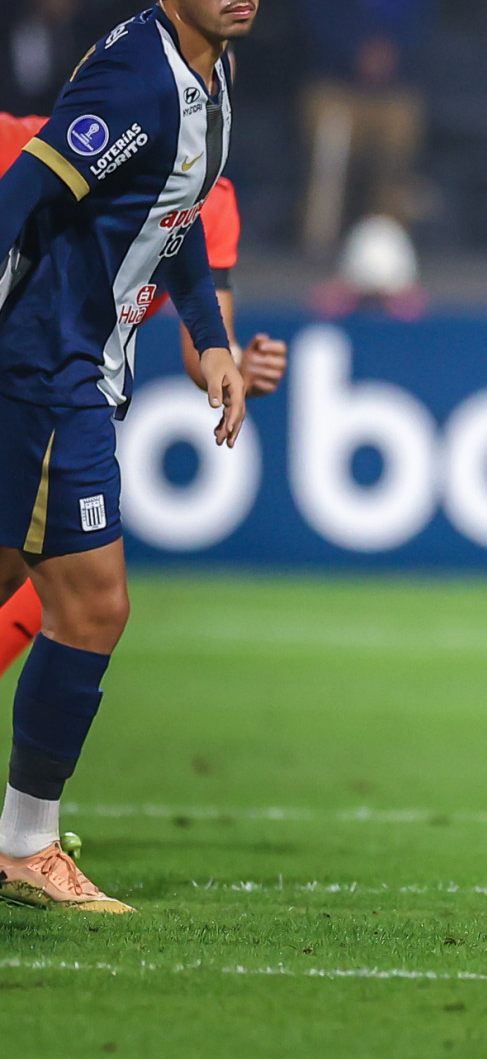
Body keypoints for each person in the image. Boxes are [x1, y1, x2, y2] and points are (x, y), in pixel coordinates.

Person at [0, 0, 256, 912]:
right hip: (48, 369)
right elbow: (24, 193)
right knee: (94, 604)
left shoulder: (208, 72)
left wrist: (212, 343)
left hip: (71, 367)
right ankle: (25, 844)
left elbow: (174, 217)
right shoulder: (137, 81)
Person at [0, 112, 287, 674]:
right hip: (31, 384)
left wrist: (236, 365)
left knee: (48, 584)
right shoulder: (37, 141)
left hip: (59, 398)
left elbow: (205, 349)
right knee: (74, 592)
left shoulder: (211, 202)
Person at [292, 0, 431, 254]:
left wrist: (392, 52)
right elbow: (314, 21)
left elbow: (424, 15)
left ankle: (385, 247)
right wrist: (354, 52)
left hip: (394, 85)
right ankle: (317, 244)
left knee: (399, 132)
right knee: (328, 136)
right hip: (336, 83)